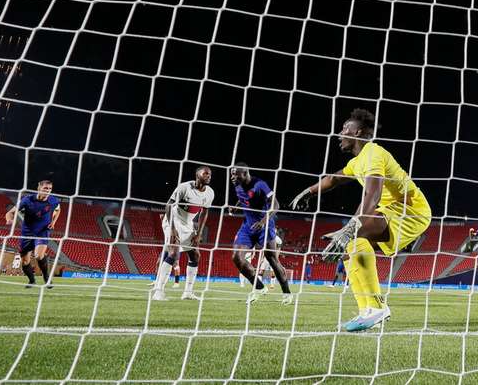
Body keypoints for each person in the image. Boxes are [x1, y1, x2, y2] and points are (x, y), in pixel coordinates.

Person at [290, 108, 432, 332]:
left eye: (345, 129)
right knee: (352, 245)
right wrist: (310, 191)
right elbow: (334, 179)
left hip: (411, 210)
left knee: (352, 235)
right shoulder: (357, 162)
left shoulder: (373, 152)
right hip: (389, 210)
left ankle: (376, 308)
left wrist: (350, 227)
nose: (340, 133)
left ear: (359, 133)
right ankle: (369, 310)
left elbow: (372, 195)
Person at [230, 163, 293, 304]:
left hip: (265, 226)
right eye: (231, 174)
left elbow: (276, 205)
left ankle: (287, 293)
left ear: (245, 173)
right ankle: (258, 287)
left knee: (271, 259)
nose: (232, 177)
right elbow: (244, 198)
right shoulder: (237, 185)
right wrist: (236, 206)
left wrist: (263, 222)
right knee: (236, 257)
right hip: (247, 226)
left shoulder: (260, 184)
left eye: (235, 174)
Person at [151, 166, 215, 301]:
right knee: (173, 253)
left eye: (210, 175)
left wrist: (199, 233)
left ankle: (188, 292)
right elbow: (168, 205)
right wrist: (173, 229)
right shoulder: (184, 187)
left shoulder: (209, 193)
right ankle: (158, 291)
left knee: (195, 255)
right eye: (206, 174)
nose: (209, 176)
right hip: (173, 221)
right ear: (197, 175)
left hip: (189, 224)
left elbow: (205, 212)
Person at [5, 178, 61, 288]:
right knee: (25, 261)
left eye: (50, 189)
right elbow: (10, 212)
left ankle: (46, 278)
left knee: (39, 256)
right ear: (39, 188)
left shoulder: (53, 201)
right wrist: (9, 219)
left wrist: (53, 222)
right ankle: (32, 280)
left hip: (42, 231)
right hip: (27, 233)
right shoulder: (27, 200)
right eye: (45, 188)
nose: (48, 190)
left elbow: (58, 210)